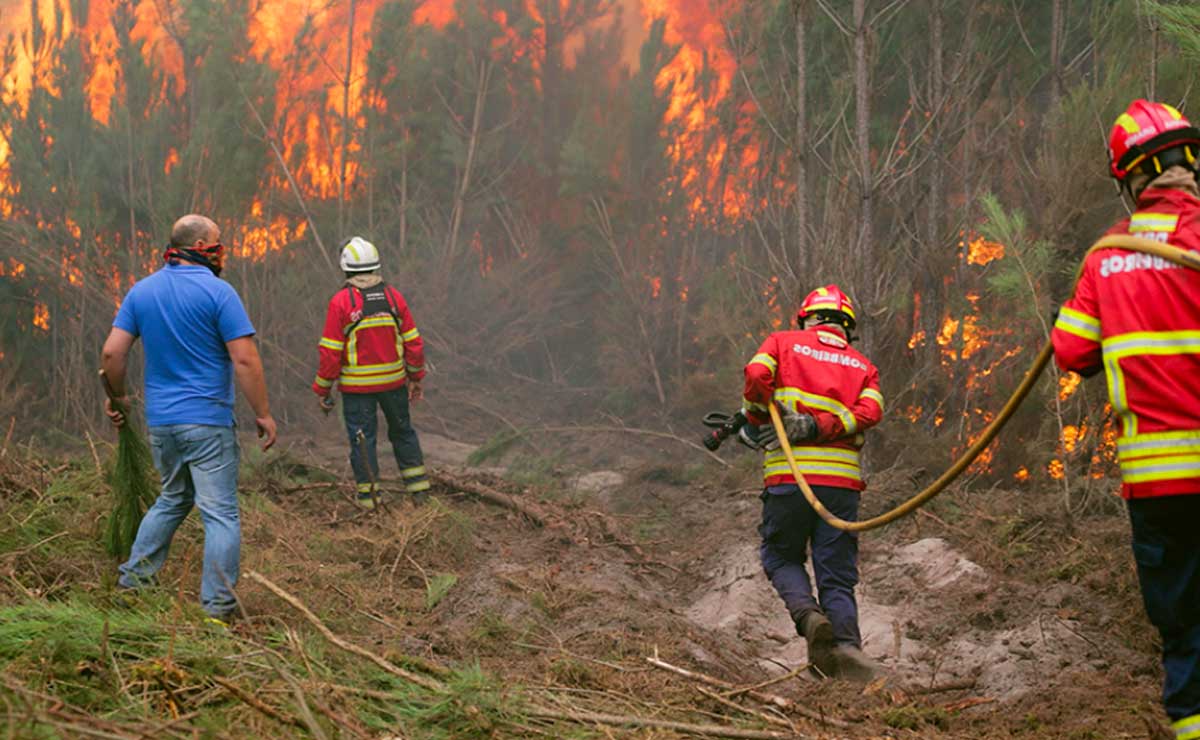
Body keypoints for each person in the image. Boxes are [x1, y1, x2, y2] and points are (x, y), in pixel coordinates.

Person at [1052, 99, 1200, 740]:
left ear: (1133, 179)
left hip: (1159, 484)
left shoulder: (1107, 257)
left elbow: (1070, 350)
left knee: (1183, 620)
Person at [100, 214, 277, 624]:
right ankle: (217, 609)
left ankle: (134, 583)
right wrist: (263, 414)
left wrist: (118, 396)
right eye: (218, 243)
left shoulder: (141, 292)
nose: (223, 252)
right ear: (200, 247)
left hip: (162, 423)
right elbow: (245, 359)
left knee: (174, 498)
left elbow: (112, 353)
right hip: (207, 421)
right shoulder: (220, 293)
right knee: (220, 513)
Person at [739, 285, 885, 682]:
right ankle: (847, 659)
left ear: (806, 318)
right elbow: (872, 411)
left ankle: (808, 617)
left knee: (780, 556)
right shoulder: (862, 366)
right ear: (846, 328)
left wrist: (758, 419)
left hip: (790, 479)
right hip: (841, 486)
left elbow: (756, 376)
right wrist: (820, 425)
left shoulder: (782, 343)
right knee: (836, 575)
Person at [312, 236, 428, 508]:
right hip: (394, 385)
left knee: (363, 442)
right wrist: (415, 377)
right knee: (403, 433)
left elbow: (331, 351)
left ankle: (370, 503)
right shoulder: (393, 297)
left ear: (346, 268)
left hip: (357, 391)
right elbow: (413, 342)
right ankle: (420, 495)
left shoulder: (341, 302)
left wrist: (323, 388)